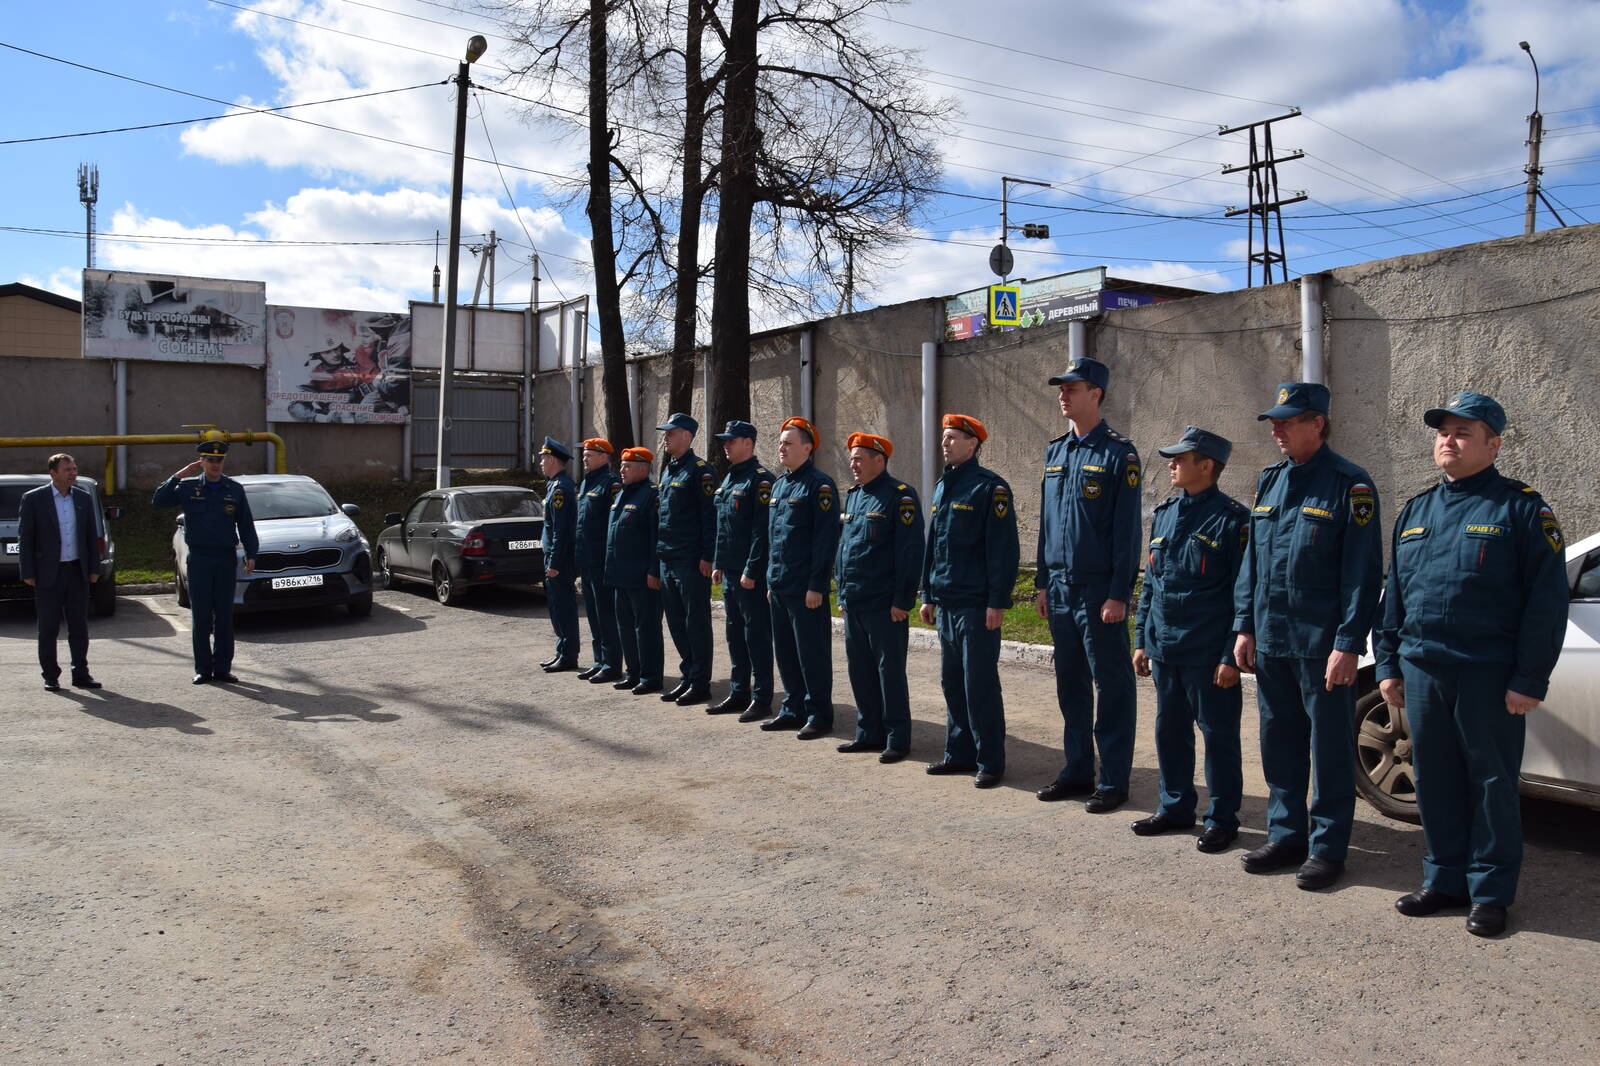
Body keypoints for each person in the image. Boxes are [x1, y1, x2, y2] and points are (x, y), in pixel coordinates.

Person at [1373, 392, 1568, 938]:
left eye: (1463, 432)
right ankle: (1443, 879)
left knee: (1489, 785)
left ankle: (1490, 892)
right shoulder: (1416, 510)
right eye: (1443, 432)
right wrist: (1387, 662)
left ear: (1494, 444)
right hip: (1423, 672)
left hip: (1488, 674)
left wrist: (1529, 679)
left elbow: (1547, 603)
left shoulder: (1522, 508)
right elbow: (1396, 596)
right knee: (1433, 781)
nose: (1448, 441)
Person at [1232, 382, 1382, 891]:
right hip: (1272, 638)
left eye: (1288, 420)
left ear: (1317, 422)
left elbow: (1362, 574)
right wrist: (1244, 625)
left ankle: (1327, 847)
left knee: (1330, 749)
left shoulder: (1350, 485)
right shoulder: (1269, 481)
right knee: (1279, 743)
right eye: (1274, 420)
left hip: (1322, 645)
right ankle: (1286, 835)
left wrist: (1348, 643)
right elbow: (1252, 562)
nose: (1277, 428)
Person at [1131, 428, 1249, 852]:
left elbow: (1242, 592)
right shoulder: (1164, 513)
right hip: (1166, 647)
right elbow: (1152, 584)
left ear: (1207, 466)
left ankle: (1221, 817)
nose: (1172, 463)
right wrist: (1142, 638)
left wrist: (1229, 655)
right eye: (1172, 457)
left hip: (1207, 651)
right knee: (1170, 730)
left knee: (1218, 735)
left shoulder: (1234, 520)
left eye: (1182, 458)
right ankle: (1175, 806)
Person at [1033, 357, 1144, 812]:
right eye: (1061, 388)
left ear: (1096, 394)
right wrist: (1042, 581)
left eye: (1073, 388)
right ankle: (1077, 770)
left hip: (1099, 590)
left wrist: (1119, 593)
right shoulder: (1055, 451)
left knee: (1111, 685)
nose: (1063, 395)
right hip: (1059, 586)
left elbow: (1126, 532)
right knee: (1070, 683)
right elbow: (1046, 523)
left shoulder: (1120, 453)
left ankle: (1114, 779)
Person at [921, 414, 1019, 788]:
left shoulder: (989, 488)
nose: (945, 444)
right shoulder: (944, 486)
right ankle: (958, 752)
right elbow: (934, 545)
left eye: (953, 438)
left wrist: (997, 601)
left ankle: (990, 761)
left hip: (976, 605)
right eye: (944, 438)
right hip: (946, 601)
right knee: (951, 681)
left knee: (979, 684)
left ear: (972, 444)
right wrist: (927, 593)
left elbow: (1003, 551)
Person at [835, 432, 924, 762]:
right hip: (855, 600)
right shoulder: (855, 496)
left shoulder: (899, 497)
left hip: (885, 604)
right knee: (860, 670)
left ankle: (897, 738)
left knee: (889, 673)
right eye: (852, 458)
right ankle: (867, 731)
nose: (853, 464)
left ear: (879, 460)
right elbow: (845, 549)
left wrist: (902, 600)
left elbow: (910, 551)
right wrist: (842, 592)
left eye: (859, 458)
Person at [761, 416, 843, 740]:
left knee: (812, 655)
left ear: (807, 448)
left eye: (788, 443)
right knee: (785, 652)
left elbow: (825, 541)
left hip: (804, 587)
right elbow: (774, 536)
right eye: (780, 442)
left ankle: (819, 715)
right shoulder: (779, 486)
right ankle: (792, 708)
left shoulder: (819, 486)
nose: (781, 447)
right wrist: (770, 581)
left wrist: (816, 585)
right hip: (780, 585)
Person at [152, 440, 259, 684]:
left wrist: (252, 554)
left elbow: (245, 523)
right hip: (199, 558)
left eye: (219, 460)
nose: (215, 464)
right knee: (201, 616)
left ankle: (222, 668)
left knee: (223, 616)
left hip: (224, 558)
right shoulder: (189, 487)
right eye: (210, 460)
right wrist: (181, 474)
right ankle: (203, 668)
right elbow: (159, 500)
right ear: (202, 461)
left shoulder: (233, 489)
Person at [709, 421, 777, 721]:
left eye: (731, 440)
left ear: (748, 443)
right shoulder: (729, 479)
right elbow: (723, 528)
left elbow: (761, 532)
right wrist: (718, 563)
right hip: (730, 572)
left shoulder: (760, 481)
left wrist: (750, 570)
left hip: (750, 575)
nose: (726, 445)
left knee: (756, 636)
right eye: (725, 440)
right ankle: (739, 693)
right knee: (734, 634)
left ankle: (762, 698)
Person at [18, 453, 102, 691]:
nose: (73, 473)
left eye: (74, 468)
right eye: (67, 469)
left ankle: (81, 673)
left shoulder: (83, 499)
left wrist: (94, 568)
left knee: (79, 627)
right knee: (48, 628)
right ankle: (51, 675)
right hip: (48, 573)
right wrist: (28, 571)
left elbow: (90, 536)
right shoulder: (35, 499)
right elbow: (26, 537)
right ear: (53, 473)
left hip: (77, 571)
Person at [655, 412, 717, 705]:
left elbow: (709, 517)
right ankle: (688, 675)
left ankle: (700, 682)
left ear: (687, 436)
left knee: (696, 623)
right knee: (677, 622)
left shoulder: (700, 471)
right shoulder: (669, 470)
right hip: (668, 557)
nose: (665, 437)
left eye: (671, 432)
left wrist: (707, 555)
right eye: (665, 433)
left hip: (691, 561)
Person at [606, 447, 666, 695]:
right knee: (626, 628)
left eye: (627, 466)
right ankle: (633, 673)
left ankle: (650, 677)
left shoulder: (651, 495)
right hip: (621, 574)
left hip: (642, 576)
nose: (621, 470)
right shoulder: (621, 494)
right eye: (621, 465)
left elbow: (657, 536)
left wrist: (654, 570)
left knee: (647, 628)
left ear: (642, 469)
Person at [575, 438, 624, 684]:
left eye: (590, 454)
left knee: (605, 614)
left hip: (602, 560)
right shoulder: (586, 482)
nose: (585, 458)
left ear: (604, 456)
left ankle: (612, 664)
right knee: (593, 614)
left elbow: (612, 526)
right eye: (584, 454)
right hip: (587, 559)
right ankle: (599, 661)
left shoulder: (611, 483)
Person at [537, 437, 580, 673]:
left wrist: (554, 562)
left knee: (563, 607)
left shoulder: (561, 487)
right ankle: (562, 651)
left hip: (560, 559)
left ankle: (568, 655)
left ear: (552, 459)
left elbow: (562, 530)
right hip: (554, 556)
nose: (540, 462)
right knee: (556, 607)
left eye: (543, 458)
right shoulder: (554, 485)